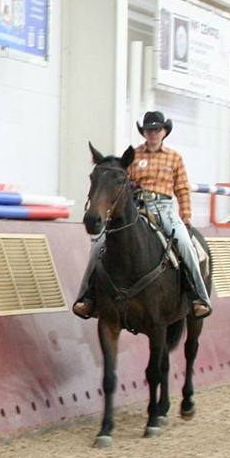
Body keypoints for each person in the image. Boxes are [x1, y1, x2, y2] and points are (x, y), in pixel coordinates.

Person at [72, 110, 212, 320]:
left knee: (185, 244)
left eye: (156, 129)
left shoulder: (174, 158)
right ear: (144, 132)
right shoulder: (134, 156)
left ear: (164, 132)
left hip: (164, 208)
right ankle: (87, 297)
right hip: (137, 208)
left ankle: (198, 297)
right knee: (99, 245)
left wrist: (187, 217)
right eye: (149, 130)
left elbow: (182, 188)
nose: (153, 133)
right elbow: (121, 183)